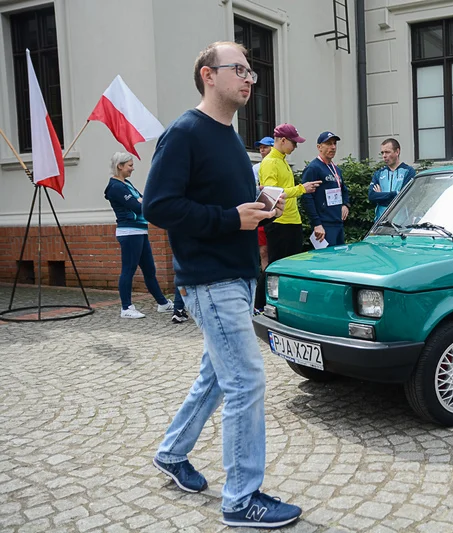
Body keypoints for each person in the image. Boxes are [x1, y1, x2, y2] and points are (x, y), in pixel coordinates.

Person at [142, 41, 299, 529]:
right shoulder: (185, 133)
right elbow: (158, 206)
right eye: (240, 69)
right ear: (209, 75)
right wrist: (230, 218)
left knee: (216, 377)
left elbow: (226, 205)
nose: (250, 77)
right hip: (210, 280)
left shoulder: (230, 136)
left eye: (252, 70)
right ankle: (241, 497)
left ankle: (171, 453)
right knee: (246, 380)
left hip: (235, 274)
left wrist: (258, 204)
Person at [253, 124, 321, 311]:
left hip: (291, 221)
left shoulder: (281, 160)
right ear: (282, 140)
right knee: (275, 266)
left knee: (290, 268)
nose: (295, 147)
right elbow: (272, 193)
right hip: (279, 223)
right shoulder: (270, 162)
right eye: (293, 143)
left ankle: (282, 304)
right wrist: (302, 188)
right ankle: (259, 305)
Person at [103, 152, 173, 319]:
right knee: (128, 269)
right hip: (129, 233)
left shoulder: (126, 184)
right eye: (130, 165)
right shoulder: (116, 187)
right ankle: (126, 308)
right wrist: (142, 202)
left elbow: (143, 201)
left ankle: (162, 303)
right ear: (120, 166)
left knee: (149, 269)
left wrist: (143, 201)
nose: (132, 169)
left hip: (140, 231)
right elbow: (138, 206)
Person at [300, 131, 350, 246]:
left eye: (334, 144)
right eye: (328, 144)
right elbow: (307, 197)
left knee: (338, 259)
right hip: (324, 225)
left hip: (338, 223)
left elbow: (343, 190)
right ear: (319, 147)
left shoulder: (336, 169)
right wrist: (317, 223)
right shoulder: (313, 168)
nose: (332, 147)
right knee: (326, 261)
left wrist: (345, 204)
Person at [368, 138, 416, 221]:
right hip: (381, 223)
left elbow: (403, 197)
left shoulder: (408, 171)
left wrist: (381, 196)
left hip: (401, 224)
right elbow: (372, 196)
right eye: (382, 152)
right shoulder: (379, 173)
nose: (384, 156)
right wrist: (394, 194)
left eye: (387, 152)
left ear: (397, 152)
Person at [252, 136, 274, 273]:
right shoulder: (256, 168)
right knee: (263, 250)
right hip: (261, 212)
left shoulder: (279, 164)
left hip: (276, 214)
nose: (262, 150)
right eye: (260, 148)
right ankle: (265, 278)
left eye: (265, 147)